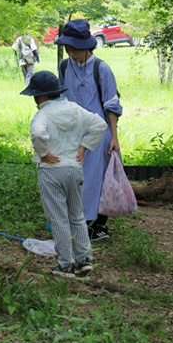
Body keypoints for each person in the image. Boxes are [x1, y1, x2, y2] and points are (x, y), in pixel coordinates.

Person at [23, 71, 107, 277]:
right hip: (74, 168)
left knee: (58, 218)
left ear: (42, 96)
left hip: (51, 172)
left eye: (35, 95)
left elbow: (37, 133)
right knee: (77, 215)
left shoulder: (42, 115)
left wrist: (43, 153)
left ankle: (66, 264)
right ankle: (84, 259)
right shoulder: (75, 109)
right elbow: (100, 125)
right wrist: (84, 146)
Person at [55, 19, 122, 241]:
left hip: (99, 133)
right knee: (74, 176)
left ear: (87, 47)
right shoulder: (65, 66)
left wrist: (114, 137)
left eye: (75, 49)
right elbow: (61, 99)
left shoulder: (101, 68)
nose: (71, 53)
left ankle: (100, 226)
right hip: (73, 132)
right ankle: (78, 221)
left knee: (100, 177)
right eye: (68, 48)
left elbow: (111, 104)